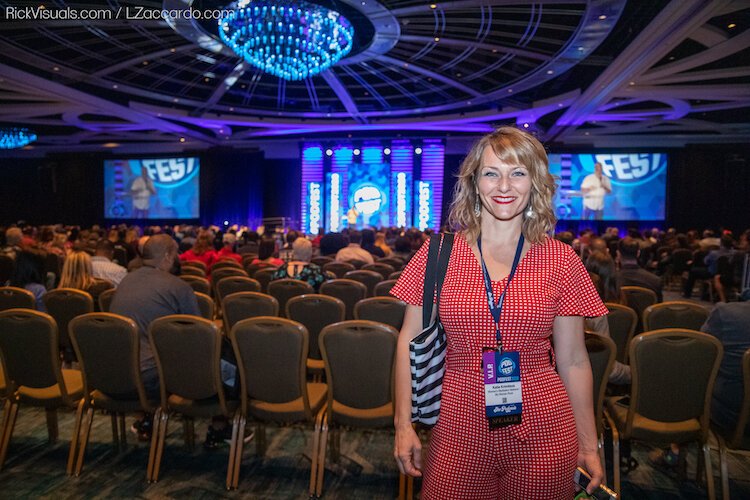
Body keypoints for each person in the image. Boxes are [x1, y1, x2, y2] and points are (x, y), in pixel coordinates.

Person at [390, 127, 607, 498]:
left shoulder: (561, 259)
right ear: (474, 182)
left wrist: (588, 443)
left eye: (517, 173)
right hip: (457, 423)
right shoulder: (437, 253)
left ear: (535, 182)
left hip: (544, 428)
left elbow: (573, 360)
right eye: (492, 173)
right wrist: (402, 424)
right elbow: (407, 341)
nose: (504, 185)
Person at [110, 234, 201, 441]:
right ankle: (221, 426)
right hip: (148, 379)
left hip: (113, 373)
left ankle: (148, 418)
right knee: (216, 365)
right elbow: (199, 338)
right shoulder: (177, 287)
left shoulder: (125, 281)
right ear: (168, 256)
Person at [617, 236, 663, 302]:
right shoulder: (655, 281)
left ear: (618, 254)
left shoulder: (610, 281)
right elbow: (657, 310)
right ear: (638, 253)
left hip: (619, 312)